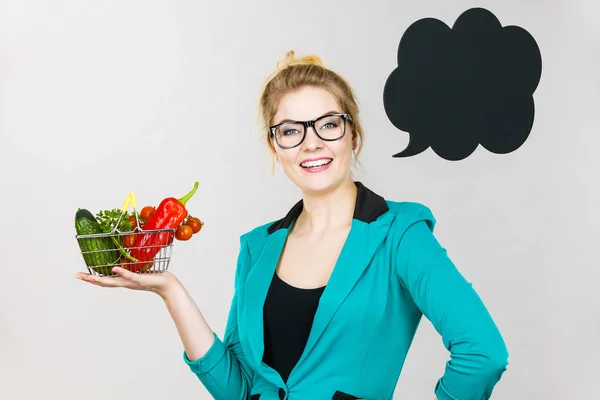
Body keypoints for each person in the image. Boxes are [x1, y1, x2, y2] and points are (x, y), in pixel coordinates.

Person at [75, 50, 509, 400]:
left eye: (328, 124)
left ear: (353, 134)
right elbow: (240, 389)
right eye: (290, 130)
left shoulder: (400, 234)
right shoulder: (257, 249)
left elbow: (483, 353)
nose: (311, 141)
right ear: (275, 146)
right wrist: (170, 290)